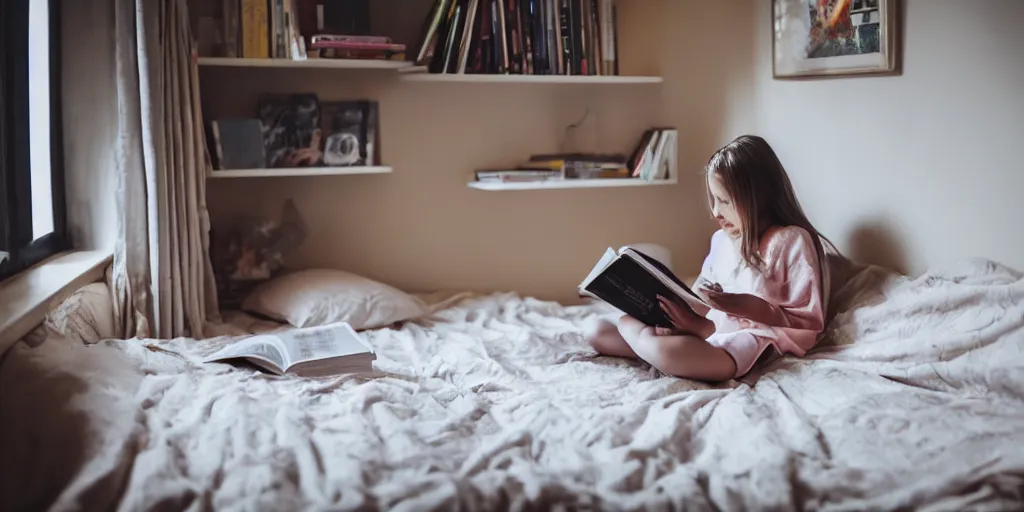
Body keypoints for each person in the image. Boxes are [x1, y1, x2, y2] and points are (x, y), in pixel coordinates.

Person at [585, 135, 838, 382]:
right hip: (708, 333)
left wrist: (729, 304)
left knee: (665, 350)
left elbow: (807, 319)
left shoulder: (790, 240)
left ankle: (657, 349)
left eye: (724, 201)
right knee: (599, 330)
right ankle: (657, 346)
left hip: (752, 340)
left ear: (759, 198)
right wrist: (680, 318)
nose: (716, 212)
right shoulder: (721, 241)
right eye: (713, 200)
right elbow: (699, 298)